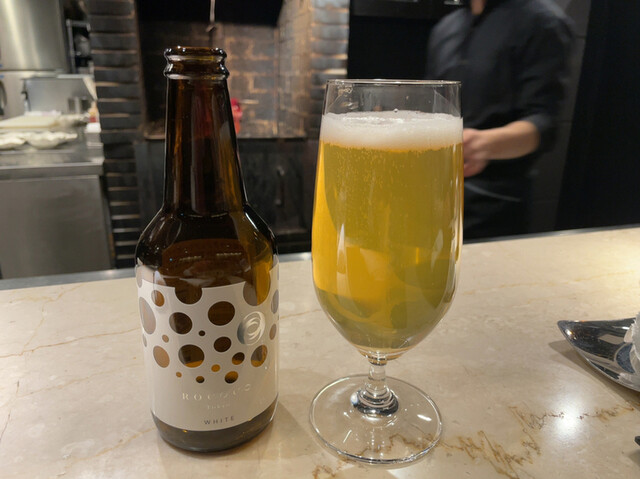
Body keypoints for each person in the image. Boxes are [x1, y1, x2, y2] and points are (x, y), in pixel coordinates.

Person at [427, 0, 573, 239]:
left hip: (493, 202)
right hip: (434, 194)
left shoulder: (543, 21)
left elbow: (544, 122)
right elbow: (432, 105)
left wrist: (484, 144)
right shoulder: (446, 26)